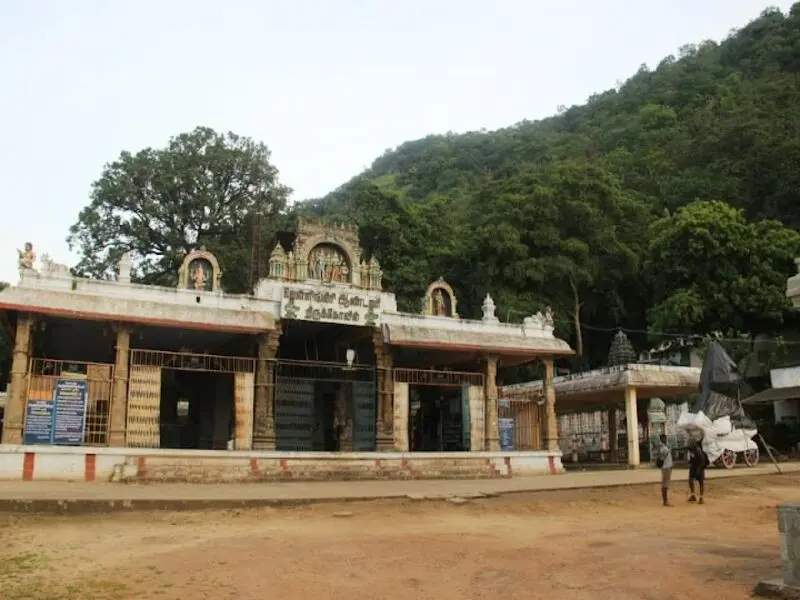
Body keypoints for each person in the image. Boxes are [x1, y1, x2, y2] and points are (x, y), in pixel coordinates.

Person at [687, 437, 708, 504]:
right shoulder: (691, 449)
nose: (689, 443)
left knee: (700, 482)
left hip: (699, 467)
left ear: (694, 443)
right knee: (690, 480)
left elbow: (702, 460)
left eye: (691, 442)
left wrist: (699, 469)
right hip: (693, 467)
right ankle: (693, 495)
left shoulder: (697, 449)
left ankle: (701, 498)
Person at [654, 434, 673, 507]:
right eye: (663, 438)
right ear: (661, 439)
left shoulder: (663, 446)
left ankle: (665, 500)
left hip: (667, 467)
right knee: (665, 484)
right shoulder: (662, 447)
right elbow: (661, 455)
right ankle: (665, 501)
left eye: (665, 438)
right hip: (666, 467)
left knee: (665, 484)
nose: (665, 439)